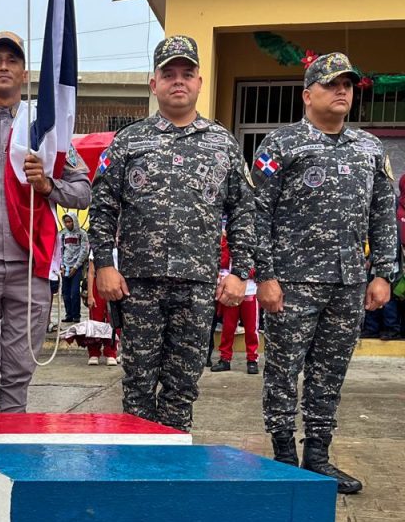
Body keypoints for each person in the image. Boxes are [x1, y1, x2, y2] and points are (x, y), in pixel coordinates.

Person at [89, 35, 254, 432]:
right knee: (138, 387)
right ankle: (136, 466)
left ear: (199, 82)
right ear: (154, 83)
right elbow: (103, 207)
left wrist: (240, 273)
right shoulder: (129, 141)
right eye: (169, 74)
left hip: (196, 287)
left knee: (182, 389)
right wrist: (104, 265)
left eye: (187, 73)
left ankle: (173, 465)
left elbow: (244, 211)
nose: (178, 81)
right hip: (138, 286)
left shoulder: (223, 143)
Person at [253, 52, 397, 492]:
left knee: (330, 373)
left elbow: (383, 214)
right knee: (282, 372)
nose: (341, 91)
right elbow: (257, 214)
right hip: (291, 282)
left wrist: (383, 273)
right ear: (307, 95)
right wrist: (265, 276)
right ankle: (283, 457)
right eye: (331, 84)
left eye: (347, 85)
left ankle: (317, 457)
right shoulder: (280, 145)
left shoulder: (369, 148)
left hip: (348, 282)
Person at [0, 31, 91, 413]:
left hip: (30, 265)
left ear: (25, 74)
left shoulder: (43, 127)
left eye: (12, 60)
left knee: (19, 374)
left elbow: (83, 191)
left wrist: (47, 185)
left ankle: (11, 444)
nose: (3, 66)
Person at [210, 230, 259, 373]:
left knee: (251, 329)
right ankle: (225, 359)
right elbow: (222, 263)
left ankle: (252, 360)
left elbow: (259, 265)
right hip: (230, 292)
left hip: (250, 291)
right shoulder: (226, 244)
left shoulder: (253, 243)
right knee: (228, 327)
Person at [86, 252, 118, 367]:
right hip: (98, 284)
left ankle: (111, 352)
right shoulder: (98, 248)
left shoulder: (122, 247)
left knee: (113, 319)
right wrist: (90, 295)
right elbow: (91, 272)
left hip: (115, 285)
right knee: (96, 319)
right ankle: (94, 352)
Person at [58, 213, 88, 323]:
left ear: (74, 221)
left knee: (75, 292)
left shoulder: (82, 234)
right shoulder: (63, 234)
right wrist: (61, 266)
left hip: (77, 267)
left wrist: (75, 267)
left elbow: (84, 251)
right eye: (66, 222)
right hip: (65, 267)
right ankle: (69, 315)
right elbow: (60, 250)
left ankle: (76, 316)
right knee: (65, 293)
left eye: (70, 221)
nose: (67, 224)